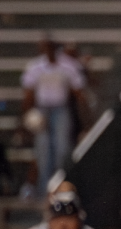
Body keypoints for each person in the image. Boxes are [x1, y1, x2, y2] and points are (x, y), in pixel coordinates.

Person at [21, 40, 87, 196]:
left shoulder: (67, 65)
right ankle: (45, 190)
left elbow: (78, 91)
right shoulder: (36, 66)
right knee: (44, 150)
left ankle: (62, 186)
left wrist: (86, 119)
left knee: (62, 149)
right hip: (42, 110)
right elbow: (29, 93)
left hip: (61, 109)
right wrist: (25, 115)